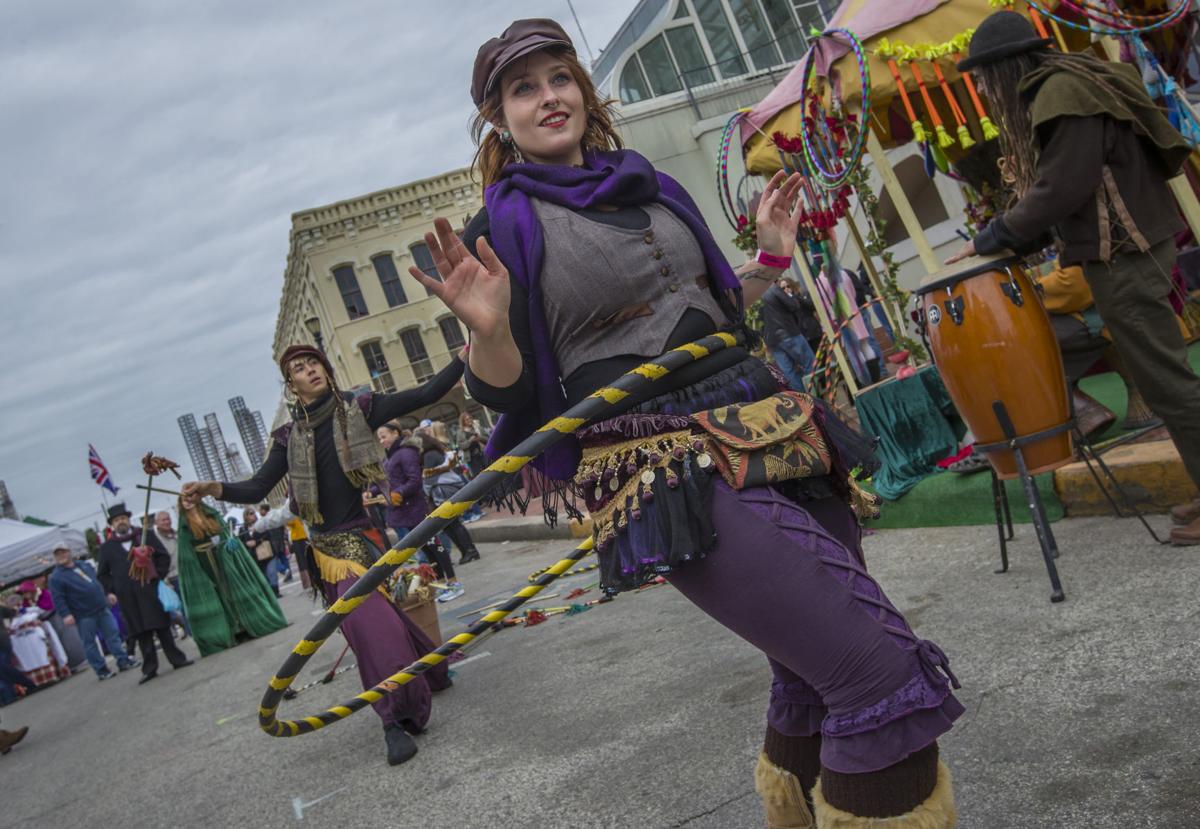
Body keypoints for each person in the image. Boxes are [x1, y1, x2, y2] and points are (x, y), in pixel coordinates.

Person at [408, 20, 963, 828]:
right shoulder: (503, 228)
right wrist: (488, 333)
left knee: (809, 673)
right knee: (875, 670)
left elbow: (703, 311)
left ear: (582, 90)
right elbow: (509, 392)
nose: (548, 97)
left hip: (769, 423)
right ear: (499, 118)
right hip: (661, 463)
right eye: (523, 89)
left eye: (559, 78)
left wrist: (770, 259)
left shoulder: (654, 186)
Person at [950, 10, 1200, 547]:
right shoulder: (1072, 80)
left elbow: (1062, 188)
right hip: (1132, 248)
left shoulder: (1060, 93)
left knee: (1169, 384)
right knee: (1169, 379)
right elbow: (1075, 192)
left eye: (986, 79)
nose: (989, 90)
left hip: (1124, 254)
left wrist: (991, 237)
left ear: (1004, 67)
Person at [181, 344, 463, 766]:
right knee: (373, 629)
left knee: (381, 622)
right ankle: (393, 718)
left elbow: (424, 394)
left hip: (367, 540)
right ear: (290, 384)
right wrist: (211, 488)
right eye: (298, 367)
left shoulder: (360, 407)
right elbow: (257, 488)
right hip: (330, 552)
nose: (309, 369)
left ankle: (430, 672)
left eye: (313, 362)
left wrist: (463, 355)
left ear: (325, 368)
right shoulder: (287, 438)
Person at [175, 493, 288, 657]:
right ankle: (230, 632)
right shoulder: (184, 525)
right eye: (184, 499)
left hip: (222, 557)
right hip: (203, 563)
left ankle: (244, 627)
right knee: (218, 595)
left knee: (231, 590)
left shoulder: (211, 515)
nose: (187, 502)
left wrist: (228, 544)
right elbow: (185, 551)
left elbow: (225, 534)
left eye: (190, 497)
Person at [96, 503, 193, 684]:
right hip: (128, 597)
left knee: (163, 627)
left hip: (149, 590)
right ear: (112, 524)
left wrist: (157, 575)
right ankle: (149, 668)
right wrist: (115, 588)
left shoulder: (144, 536)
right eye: (117, 520)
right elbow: (102, 574)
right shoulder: (107, 547)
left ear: (128, 519)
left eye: (123, 518)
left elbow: (163, 556)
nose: (121, 522)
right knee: (141, 633)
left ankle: (177, 659)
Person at [376, 420, 465, 602]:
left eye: (383, 436)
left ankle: (454, 583)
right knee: (427, 550)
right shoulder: (391, 456)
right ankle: (441, 583)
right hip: (405, 512)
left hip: (416, 509)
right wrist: (373, 491)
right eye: (379, 438)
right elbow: (389, 480)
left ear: (395, 433)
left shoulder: (406, 453)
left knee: (436, 546)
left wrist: (398, 493)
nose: (381, 441)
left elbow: (414, 480)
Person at [48, 547, 139, 680]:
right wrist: (65, 614)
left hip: (101, 607)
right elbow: (58, 598)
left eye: (63, 552)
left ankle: (123, 660)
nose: (61, 555)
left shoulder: (84, 565)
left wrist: (107, 593)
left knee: (113, 634)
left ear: (69, 552)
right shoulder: (56, 577)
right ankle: (101, 669)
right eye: (57, 554)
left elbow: (97, 581)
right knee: (89, 643)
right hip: (83, 614)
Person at [415, 430, 482, 564]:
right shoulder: (434, 452)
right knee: (451, 524)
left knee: (453, 524)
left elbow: (428, 478)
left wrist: (427, 494)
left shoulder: (429, 455)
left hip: (442, 490)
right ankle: (467, 551)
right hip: (446, 488)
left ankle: (469, 551)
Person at [760, 277, 817, 392]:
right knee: (809, 363)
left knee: (789, 372)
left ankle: (805, 401)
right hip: (788, 333)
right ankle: (817, 395)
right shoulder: (773, 289)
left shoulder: (753, 296)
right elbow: (793, 306)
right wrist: (792, 297)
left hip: (771, 341)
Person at [2, 594, 70, 687]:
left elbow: (39, 612)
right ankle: (32, 682)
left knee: (38, 657)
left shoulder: (29, 615)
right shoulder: (15, 621)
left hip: (31, 642)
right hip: (24, 643)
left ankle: (34, 682)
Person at [152, 511, 191, 638]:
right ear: (156, 523)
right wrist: (166, 580)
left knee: (192, 605)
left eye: (168, 519)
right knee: (185, 608)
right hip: (174, 577)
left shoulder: (176, 534)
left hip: (186, 572)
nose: (167, 521)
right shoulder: (155, 539)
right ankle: (192, 633)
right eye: (163, 520)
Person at [239, 507, 280, 597]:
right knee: (263, 577)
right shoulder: (243, 529)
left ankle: (276, 592)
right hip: (256, 557)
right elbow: (240, 542)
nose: (253, 514)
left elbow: (268, 535)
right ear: (246, 516)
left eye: (254, 512)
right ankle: (269, 594)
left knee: (272, 573)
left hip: (268, 553)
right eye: (250, 513)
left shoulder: (260, 523)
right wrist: (247, 544)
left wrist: (256, 542)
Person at [0, 603, 34, 704]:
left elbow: (13, 612)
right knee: (4, 668)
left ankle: (25, 685)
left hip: (2, 640)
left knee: (4, 668)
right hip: (3, 639)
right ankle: (9, 695)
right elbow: (13, 612)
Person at [259, 503, 294, 583]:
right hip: (280, 540)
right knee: (283, 558)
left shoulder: (266, 519)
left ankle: (285, 570)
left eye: (261, 510)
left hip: (273, 542)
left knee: (275, 560)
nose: (260, 512)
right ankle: (288, 573)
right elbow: (282, 527)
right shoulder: (274, 516)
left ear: (264, 510)